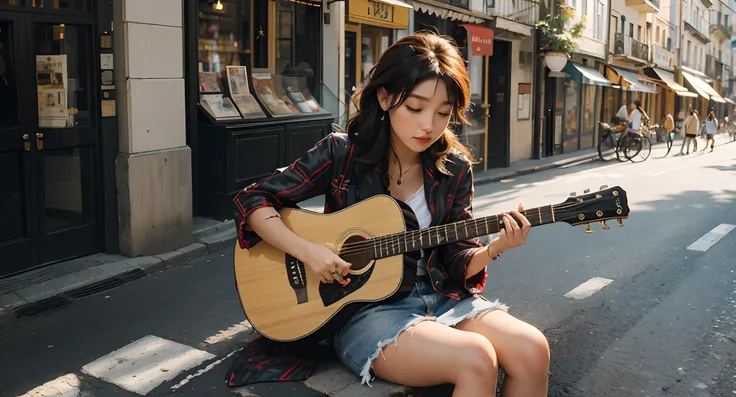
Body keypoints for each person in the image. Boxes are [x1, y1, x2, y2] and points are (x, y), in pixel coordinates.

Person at [233, 32, 550, 396]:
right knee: (476, 358)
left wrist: (494, 248)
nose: (428, 125)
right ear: (385, 98)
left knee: (532, 349)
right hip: (366, 310)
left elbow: (457, 255)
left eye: (443, 113)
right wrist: (309, 251)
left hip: (441, 297)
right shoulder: (343, 154)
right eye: (415, 108)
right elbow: (255, 201)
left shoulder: (454, 168)